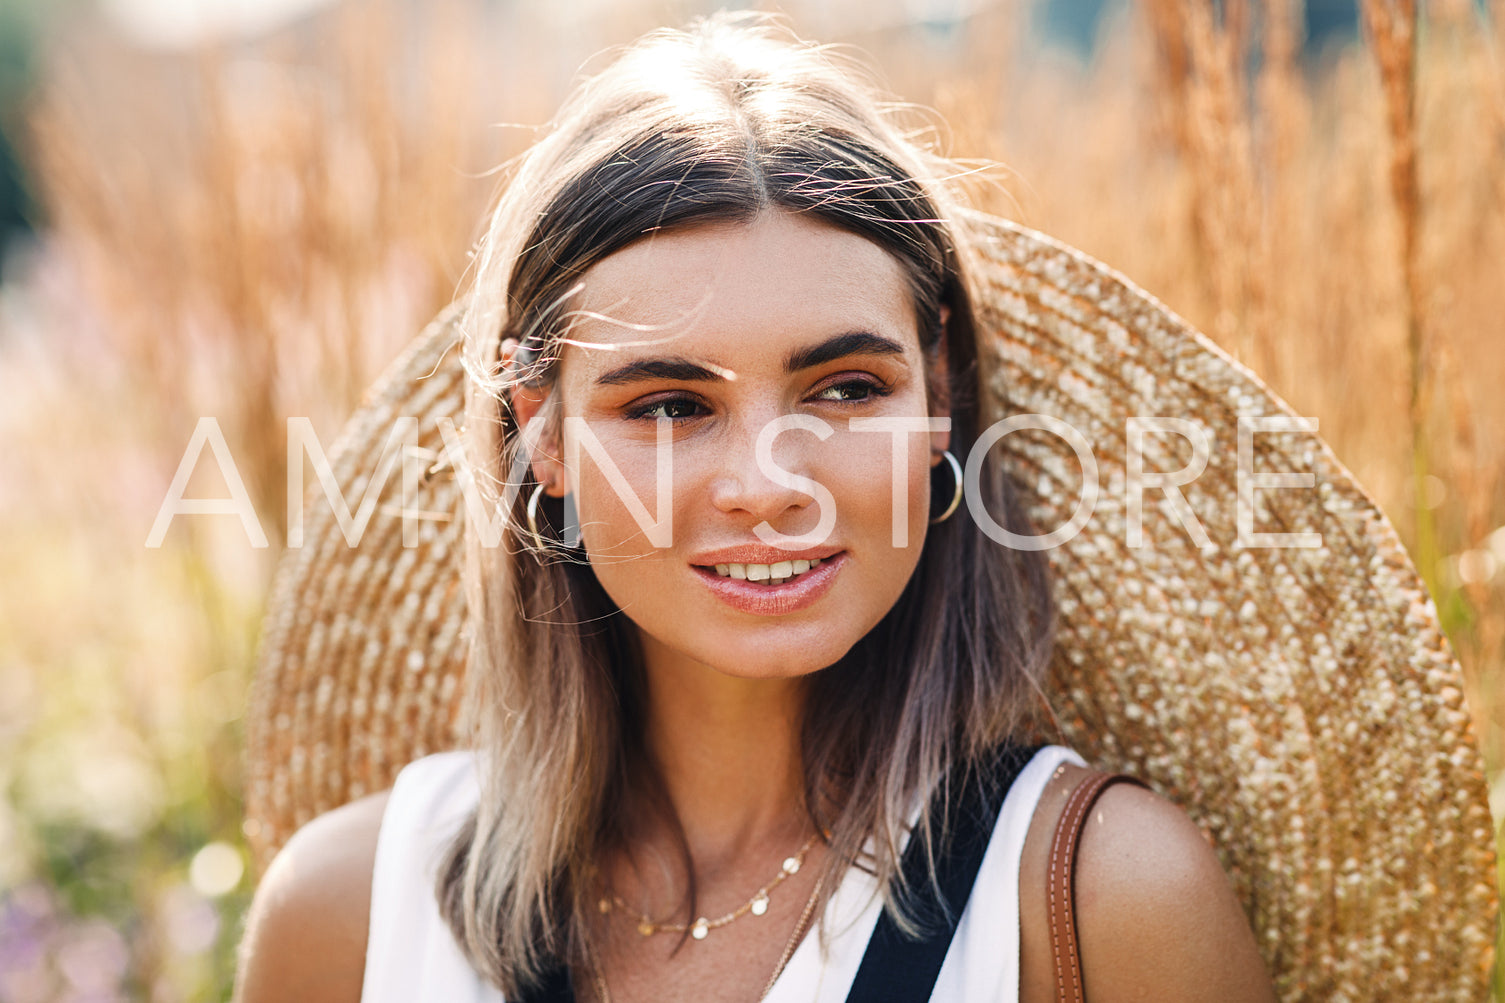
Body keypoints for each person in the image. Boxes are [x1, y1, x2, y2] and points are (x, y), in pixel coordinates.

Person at [235, 14, 1278, 1002]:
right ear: (541, 434)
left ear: (938, 396)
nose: (769, 483)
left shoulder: (1100, 907)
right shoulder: (351, 916)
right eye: (672, 404)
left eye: (844, 388)